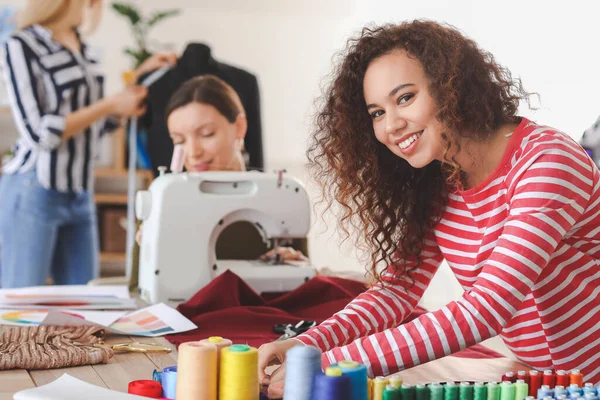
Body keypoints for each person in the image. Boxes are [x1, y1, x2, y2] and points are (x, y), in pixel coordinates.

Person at [257, 19, 600, 393]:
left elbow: (484, 311)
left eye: (405, 98)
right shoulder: (443, 181)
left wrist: (328, 365)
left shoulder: (547, 162)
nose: (391, 125)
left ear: (452, 86)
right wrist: (307, 345)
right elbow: (396, 291)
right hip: (545, 382)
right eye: (377, 113)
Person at [0, 0, 176, 288]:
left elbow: (98, 123)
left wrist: (139, 78)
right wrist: (109, 104)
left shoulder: (84, 46)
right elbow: (38, 132)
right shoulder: (22, 44)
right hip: (34, 190)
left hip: (80, 193)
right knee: (20, 302)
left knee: (85, 300)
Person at [134, 75, 307, 270]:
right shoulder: (163, 201)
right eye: (179, 141)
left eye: (207, 134)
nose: (193, 152)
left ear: (239, 128)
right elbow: (137, 291)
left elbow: (304, 278)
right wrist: (152, 256)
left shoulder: (280, 196)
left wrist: (296, 265)